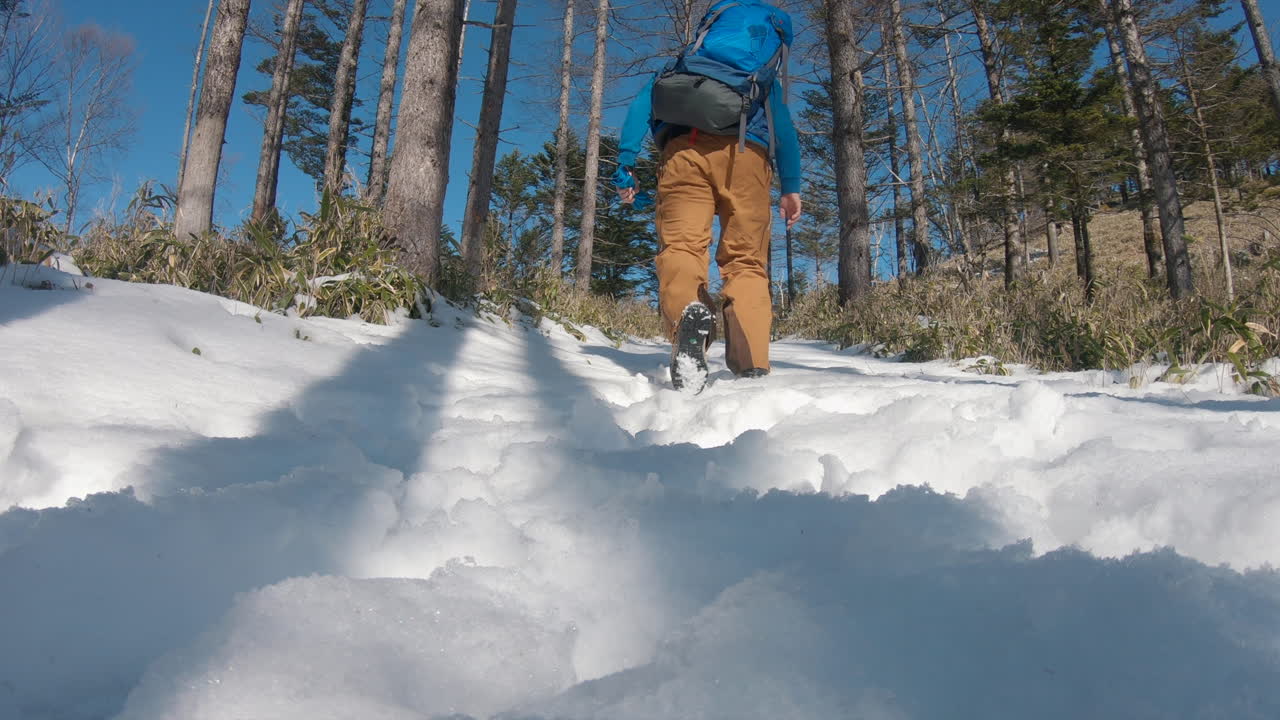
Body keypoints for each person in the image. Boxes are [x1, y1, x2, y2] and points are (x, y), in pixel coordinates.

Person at [612, 0, 802, 392]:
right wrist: (790, 187)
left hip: (683, 153)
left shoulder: (680, 66)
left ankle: (689, 316)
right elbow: (785, 134)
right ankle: (751, 360)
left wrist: (626, 162)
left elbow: (639, 108)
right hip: (748, 156)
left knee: (681, 247)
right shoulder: (761, 80)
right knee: (746, 261)